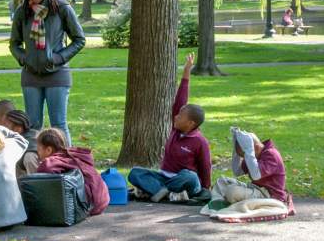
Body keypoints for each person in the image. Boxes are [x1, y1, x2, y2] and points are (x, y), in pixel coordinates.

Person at [9, 0, 86, 145]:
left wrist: (58, 58)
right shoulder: (23, 11)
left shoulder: (61, 8)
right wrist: (24, 58)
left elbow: (79, 39)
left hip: (57, 74)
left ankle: (66, 165)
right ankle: (35, 164)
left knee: (58, 125)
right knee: (33, 125)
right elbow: (14, 43)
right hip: (31, 75)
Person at [128, 53, 212, 202]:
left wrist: (206, 189)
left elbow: (206, 168)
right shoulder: (176, 129)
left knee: (189, 175)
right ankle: (167, 193)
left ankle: (164, 192)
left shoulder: (200, 141)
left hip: (186, 182)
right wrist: (187, 70)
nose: (176, 117)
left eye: (180, 116)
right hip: (164, 178)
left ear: (191, 123)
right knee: (135, 173)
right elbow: (181, 98)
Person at [35, 128, 110, 215]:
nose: (37, 153)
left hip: (85, 207)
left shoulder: (49, 163)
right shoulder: (76, 155)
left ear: (48, 150)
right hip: (102, 202)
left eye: (39, 149)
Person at [212, 127, 290, 205]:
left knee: (232, 191)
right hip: (254, 189)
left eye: (244, 155)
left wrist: (249, 151)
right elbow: (237, 172)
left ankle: (228, 199)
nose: (245, 158)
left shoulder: (271, 154)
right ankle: (219, 201)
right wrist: (236, 151)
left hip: (269, 195)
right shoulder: (252, 155)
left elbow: (256, 175)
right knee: (221, 181)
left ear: (255, 148)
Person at [3, 109, 39, 176]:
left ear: (18, 128)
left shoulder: (32, 138)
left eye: (6, 126)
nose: (4, 129)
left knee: (29, 157)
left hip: (38, 178)